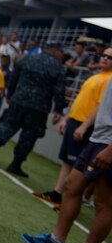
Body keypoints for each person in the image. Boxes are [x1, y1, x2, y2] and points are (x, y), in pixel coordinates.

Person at [20, 69, 112, 243]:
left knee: (103, 202)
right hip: (98, 138)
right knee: (72, 185)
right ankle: (56, 241)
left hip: (108, 144)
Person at [32, 48, 111, 206]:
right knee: (68, 162)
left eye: (110, 57)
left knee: (79, 167)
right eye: (103, 55)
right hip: (75, 120)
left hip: (86, 125)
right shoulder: (96, 76)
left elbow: (100, 106)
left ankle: (70, 201)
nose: (104, 58)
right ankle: (57, 194)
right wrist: (66, 118)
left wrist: (84, 126)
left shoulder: (109, 80)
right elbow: (79, 99)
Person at [0, 42, 67, 177]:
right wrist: (58, 109)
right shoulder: (58, 68)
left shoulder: (27, 59)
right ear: (55, 51)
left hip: (19, 99)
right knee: (29, 135)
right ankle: (16, 163)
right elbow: (59, 91)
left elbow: (13, 77)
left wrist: (10, 94)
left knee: (8, 124)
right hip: (40, 107)